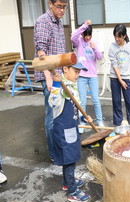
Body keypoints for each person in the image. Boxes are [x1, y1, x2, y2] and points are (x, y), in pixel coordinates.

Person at [48, 62, 91, 202]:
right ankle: (73, 192)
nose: (78, 75)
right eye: (76, 71)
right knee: (69, 161)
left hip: (71, 129)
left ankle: (67, 183)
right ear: (65, 69)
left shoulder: (71, 87)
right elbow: (53, 103)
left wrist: (84, 117)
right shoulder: (60, 88)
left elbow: (75, 107)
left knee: (69, 160)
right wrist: (55, 84)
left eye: (79, 72)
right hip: (62, 131)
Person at [34, 0, 68, 161]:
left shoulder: (59, 23)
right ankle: (54, 154)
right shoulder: (43, 21)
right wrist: (49, 78)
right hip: (49, 77)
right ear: (50, 4)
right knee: (51, 116)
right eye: (59, 6)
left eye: (64, 7)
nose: (62, 10)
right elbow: (42, 52)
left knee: (60, 114)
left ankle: (60, 147)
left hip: (58, 75)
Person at [71, 19, 104, 134]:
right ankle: (82, 123)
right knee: (82, 101)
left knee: (95, 99)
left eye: (89, 35)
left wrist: (94, 48)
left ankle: (100, 121)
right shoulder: (78, 41)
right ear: (83, 33)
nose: (88, 38)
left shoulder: (94, 42)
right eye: (86, 35)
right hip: (82, 76)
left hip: (93, 76)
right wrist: (84, 26)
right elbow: (72, 37)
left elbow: (100, 57)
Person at [108, 24, 130, 126]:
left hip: (126, 77)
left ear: (124, 36)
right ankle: (118, 122)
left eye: (119, 36)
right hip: (115, 77)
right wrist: (120, 80)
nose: (116, 39)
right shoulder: (112, 47)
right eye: (115, 36)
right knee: (116, 101)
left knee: (129, 101)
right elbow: (114, 66)